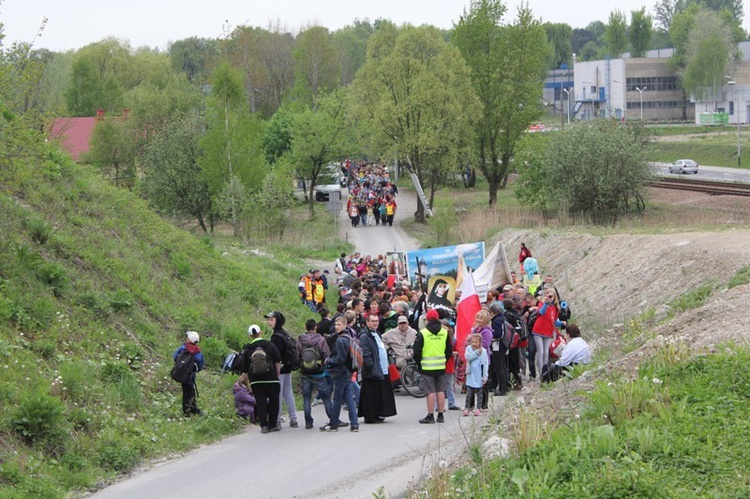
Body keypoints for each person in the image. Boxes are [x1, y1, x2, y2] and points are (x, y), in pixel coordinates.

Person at [240, 324, 282, 434]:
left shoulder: (248, 349)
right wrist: (277, 375)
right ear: (260, 332)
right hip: (271, 379)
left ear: (250, 335)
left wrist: (247, 382)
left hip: (256, 381)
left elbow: (245, 369)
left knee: (260, 402)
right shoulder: (270, 345)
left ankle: (264, 425)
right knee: (274, 401)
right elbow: (277, 361)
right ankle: (273, 424)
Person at [414, 309, 453, 424]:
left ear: (427, 319)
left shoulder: (423, 333)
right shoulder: (444, 332)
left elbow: (417, 351)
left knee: (430, 392)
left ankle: (430, 415)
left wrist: (419, 361)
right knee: (440, 391)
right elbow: (449, 350)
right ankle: (441, 415)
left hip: (426, 366)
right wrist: (444, 360)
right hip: (441, 365)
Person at [321, 316, 359, 432]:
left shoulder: (341, 340)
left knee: (337, 399)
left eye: (339, 325)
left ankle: (333, 424)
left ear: (345, 325)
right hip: (347, 371)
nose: (337, 327)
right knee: (348, 398)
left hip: (340, 373)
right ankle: (354, 424)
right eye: (336, 325)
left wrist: (328, 361)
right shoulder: (348, 337)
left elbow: (340, 358)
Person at [358, 314, 398, 424]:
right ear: (367, 322)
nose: (375, 323)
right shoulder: (365, 336)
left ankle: (378, 414)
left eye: (376, 321)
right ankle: (371, 416)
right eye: (372, 321)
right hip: (372, 370)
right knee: (371, 395)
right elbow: (366, 354)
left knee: (378, 394)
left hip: (381, 369)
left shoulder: (376, 333)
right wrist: (371, 368)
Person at [299, 319, 334, 429]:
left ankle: (308, 422)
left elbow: (296, 355)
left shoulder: (300, 340)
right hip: (319, 373)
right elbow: (327, 355)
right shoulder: (321, 339)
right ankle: (332, 419)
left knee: (306, 398)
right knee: (326, 398)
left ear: (305, 327)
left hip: (305, 373)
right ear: (315, 328)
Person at [266, 311, 299, 428]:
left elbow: (276, 356)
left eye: (272, 320)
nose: (269, 322)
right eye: (268, 320)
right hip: (288, 367)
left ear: (277, 321)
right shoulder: (284, 333)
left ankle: (277, 419)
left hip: (279, 369)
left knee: (278, 394)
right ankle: (293, 418)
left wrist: (275, 370)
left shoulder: (275, 337)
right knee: (288, 393)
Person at [530, 289, 564, 381]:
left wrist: (561, 324)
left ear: (554, 297)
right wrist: (545, 303)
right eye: (547, 295)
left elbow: (554, 320)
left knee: (546, 352)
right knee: (540, 352)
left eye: (551, 296)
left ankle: (545, 373)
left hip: (548, 332)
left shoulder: (555, 308)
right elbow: (541, 312)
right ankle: (541, 373)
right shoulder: (542, 303)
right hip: (538, 330)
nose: (549, 298)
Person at [173, 331, 204, 416]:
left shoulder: (183, 348)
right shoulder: (197, 352)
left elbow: (175, 357)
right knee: (190, 391)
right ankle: (189, 410)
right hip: (190, 375)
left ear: (188, 340)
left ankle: (190, 409)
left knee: (187, 392)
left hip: (181, 374)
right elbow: (200, 365)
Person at [463, 333, 489, 416]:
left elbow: (485, 364)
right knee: (469, 394)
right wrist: (476, 353)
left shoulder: (484, 351)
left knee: (479, 394)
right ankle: (467, 408)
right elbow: (468, 358)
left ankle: (478, 408)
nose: (474, 344)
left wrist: (485, 376)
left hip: (479, 376)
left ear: (480, 343)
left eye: (476, 342)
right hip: (471, 375)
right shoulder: (468, 349)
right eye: (472, 342)